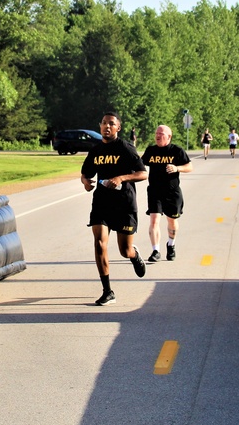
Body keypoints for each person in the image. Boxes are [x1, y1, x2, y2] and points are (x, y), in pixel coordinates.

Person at [80, 112, 148, 306]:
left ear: (118, 128)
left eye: (111, 124)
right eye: (104, 123)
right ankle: (107, 291)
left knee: (124, 250)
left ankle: (134, 255)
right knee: (99, 243)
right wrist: (86, 182)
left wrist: (121, 178)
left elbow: (143, 174)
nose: (107, 127)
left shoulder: (126, 148)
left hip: (124, 204)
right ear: (100, 126)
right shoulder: (96, 150)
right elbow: (85, 174)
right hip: (101, 202)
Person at [141, 125, 193, 263]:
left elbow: (189, 166)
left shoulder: (176, 151)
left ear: (169, 136)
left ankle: (171, 245)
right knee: (154, 220)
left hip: (172, 192)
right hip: (154, 191)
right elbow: (140, 164)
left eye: (161, 133)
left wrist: (177, 168)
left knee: (172, 221)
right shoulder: (151, 151)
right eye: (156, 133)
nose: (158, 135)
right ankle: (155, 250)